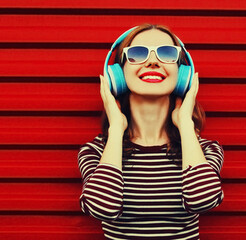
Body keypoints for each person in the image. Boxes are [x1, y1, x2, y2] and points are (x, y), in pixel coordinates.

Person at [78, 23, 224, 239]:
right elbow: (102, 208)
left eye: (167, 54)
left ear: (184, 73)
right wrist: (116, 128)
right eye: (138, 54)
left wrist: (185, 124)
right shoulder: (96, 152)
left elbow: (201, 200)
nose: (153, 62)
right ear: (117, 73)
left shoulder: (204, 149)